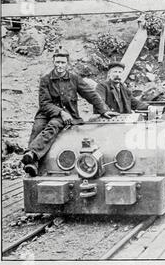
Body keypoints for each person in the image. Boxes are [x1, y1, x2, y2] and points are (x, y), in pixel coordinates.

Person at [21, 46, 116, 176]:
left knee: (54, 124)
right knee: (37, 127)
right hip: (46, 112)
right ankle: (32, 163)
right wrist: (60, 112)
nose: (60, 65)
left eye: (63, 62)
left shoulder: (74, 78)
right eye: (57, 62)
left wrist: (103, 110)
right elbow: (44, 103)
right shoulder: (45, 79)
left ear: (67, 63)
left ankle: (32, 155)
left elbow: (90, 94)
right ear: (53, 62)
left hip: (67, 114)